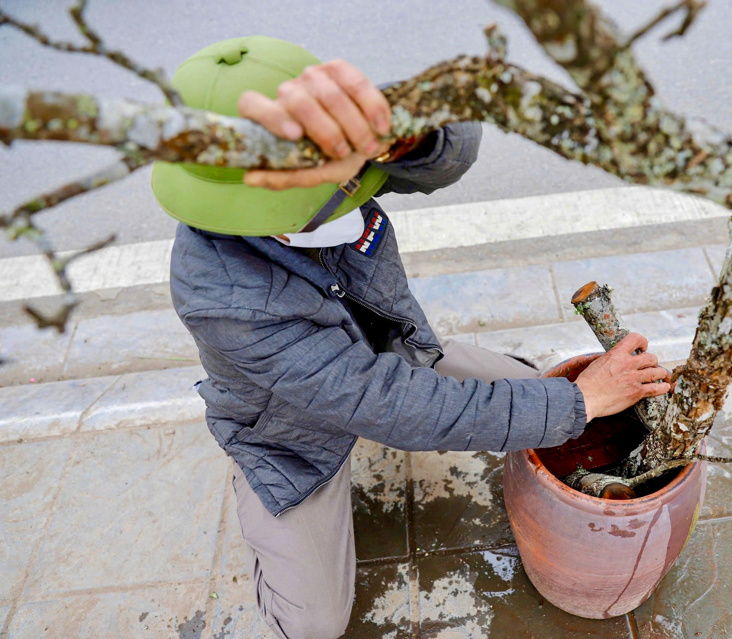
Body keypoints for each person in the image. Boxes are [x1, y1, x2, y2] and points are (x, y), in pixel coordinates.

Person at [155, 36, 672, 639]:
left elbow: (449, 153)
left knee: (540, 393)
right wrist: (582, 402)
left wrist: (404, 130)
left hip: (398, 360)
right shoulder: (222, 296)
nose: (363, 185)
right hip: (291, 434)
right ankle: (261, 496)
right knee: (314, 626)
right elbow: (382, 404)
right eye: (344, 179)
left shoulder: (329, 161)